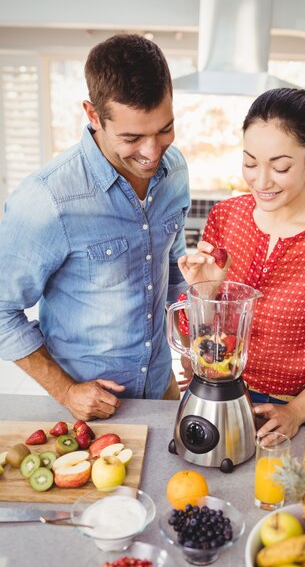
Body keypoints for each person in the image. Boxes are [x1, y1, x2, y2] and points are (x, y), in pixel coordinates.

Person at [0, 34, 191, 420]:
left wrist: (191, 345)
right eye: (132, 137)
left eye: (165, 130)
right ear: (92, 114)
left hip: (161, 388)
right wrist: (66, 391)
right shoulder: (48, 199)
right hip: (85, 409)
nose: (153, 153)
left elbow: (172, 267)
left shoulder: (176, 171)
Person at [178, 88, 305, 439]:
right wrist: (204, 293)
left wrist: (296, 412)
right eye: (250, 162)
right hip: (216, 395)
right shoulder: (226, 217)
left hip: (290, 409)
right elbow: (193, 328)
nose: (261, 181)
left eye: (280, 166)